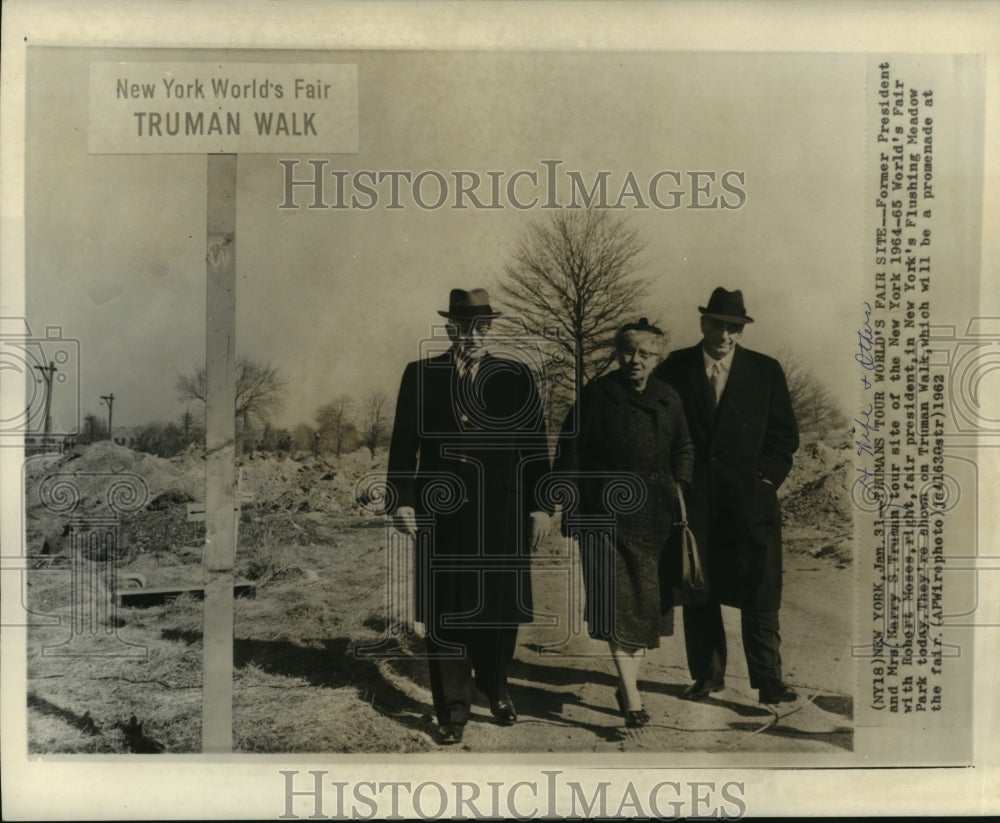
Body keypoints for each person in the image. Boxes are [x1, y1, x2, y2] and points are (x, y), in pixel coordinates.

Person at [387, 287, 552, 745]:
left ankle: (497, 691)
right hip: (442, 513)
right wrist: (401, 498)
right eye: (464, 327)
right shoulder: (421, 375)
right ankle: (452, 710)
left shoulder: (516, 376)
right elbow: (404, 443)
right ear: (449, 329)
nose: (473, 336)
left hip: (503, 509)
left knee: (498, 608)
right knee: (446, 610)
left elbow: (534, 446)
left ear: (490, 330)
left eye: (482, 327)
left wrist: (541, 504)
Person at [654, 287, 799, 705]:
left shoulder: (765, 370)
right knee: (700, 586)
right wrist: (673, 483)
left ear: (741, 330)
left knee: (760, 586)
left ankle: (769, 679)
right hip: (694, 498)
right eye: (717, 324)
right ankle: (706, 675)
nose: (725, 335)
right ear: (703, 324)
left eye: (733, 327)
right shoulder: (676, 367)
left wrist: (766, 480)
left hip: (750, 499)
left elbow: (784, 435)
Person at [555, 318, 694, 727]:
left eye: (646, 354)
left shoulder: (669, 397)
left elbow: (684, 445)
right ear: (618, 354)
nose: (636, 360)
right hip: (603, 517)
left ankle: (626, 684)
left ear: (659, 358)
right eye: (628, 352)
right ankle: (632, 697)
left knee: (644, 610)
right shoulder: (597, 395)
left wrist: (679, 485)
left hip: (655, 522)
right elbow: (570, 452)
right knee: (617, 608)